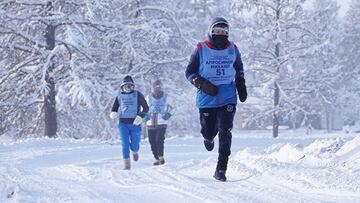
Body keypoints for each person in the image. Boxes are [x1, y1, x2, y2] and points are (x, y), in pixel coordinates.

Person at [185, 17, 247, 181]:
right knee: (209, 130)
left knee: (225, 131)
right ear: (211, 32)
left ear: (227, 33)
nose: (220, 34)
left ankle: (221, 169)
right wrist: (201, 83)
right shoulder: (201, 48)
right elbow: (189, 72)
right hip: (207, 98)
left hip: (228, 97)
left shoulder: (233, 48)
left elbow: (239, 68)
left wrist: (241, 83)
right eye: (216, 31)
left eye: (223, 32)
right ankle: (207, 137)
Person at [110, 75, 149, 170]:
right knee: (125, 144)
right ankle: (127, 165)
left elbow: (146, 108)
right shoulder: (119, 96)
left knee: (135, 145)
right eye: (126, 86)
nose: (128, 88)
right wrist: (113, 113)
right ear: (122, 86)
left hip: (135, 123)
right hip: (123, 124)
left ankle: (135, 151)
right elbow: (114, 108)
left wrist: (140, 116)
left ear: (133, 86)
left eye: (130, 86)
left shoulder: (137, 94)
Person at [145, 80, 172, 165]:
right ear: (153, 87)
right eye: (156, 86)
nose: (157, 88)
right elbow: (144, 108)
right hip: (151, 122)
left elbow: (171, 106)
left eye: (159, 86)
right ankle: (156, 158)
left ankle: (161, 157)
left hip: (162, 122)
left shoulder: (166, 97)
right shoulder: (148, 97)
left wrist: (168, 114)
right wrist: (145, 116)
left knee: (159, 140)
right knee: (152, 141)